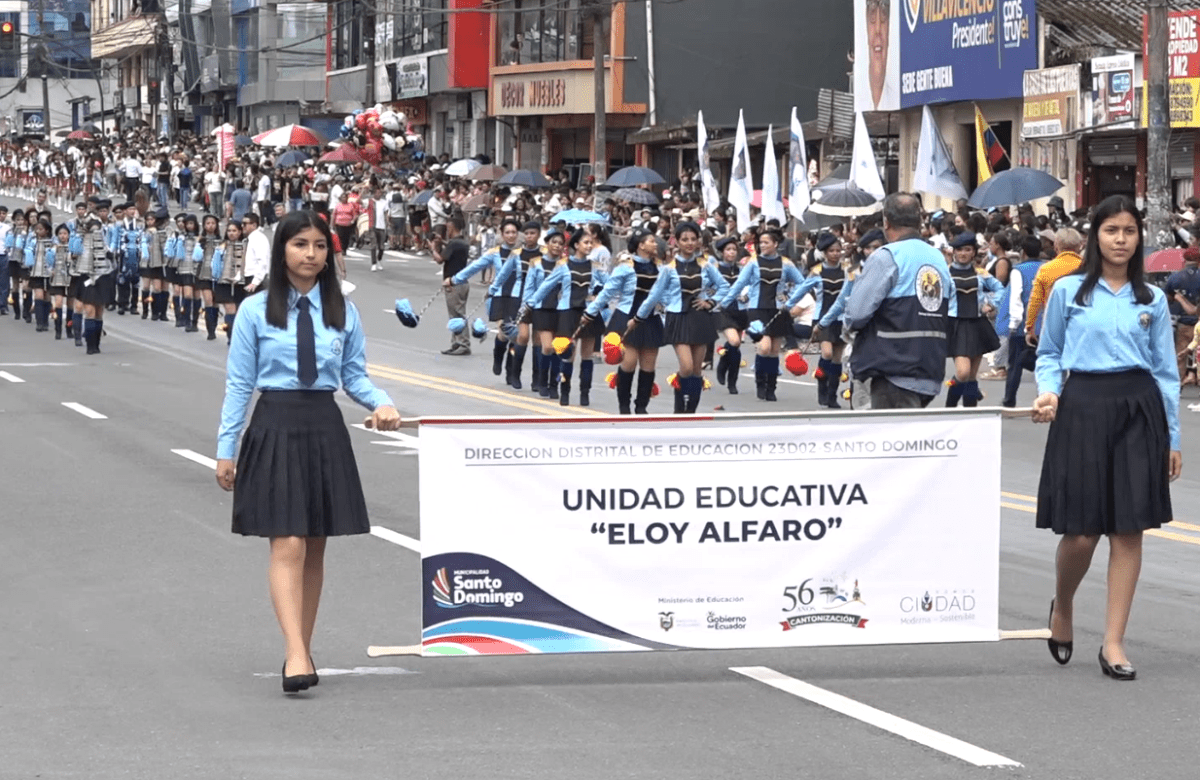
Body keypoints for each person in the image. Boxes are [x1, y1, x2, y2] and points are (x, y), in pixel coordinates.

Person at [215, 210, 402, 695]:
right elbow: (239, 384)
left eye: (320, 246)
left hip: (324, 425)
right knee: (288, 542)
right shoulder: (255, 310)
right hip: (274, 424)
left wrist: (382, 403)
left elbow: (354, 375)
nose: (311, 255)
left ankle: (302, 646)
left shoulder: (343, 310)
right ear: (282, 251)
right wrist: (225, 448)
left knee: (315, 542)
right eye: (301, 245)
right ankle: (295, 652)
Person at [1033, 195, 1182, 681]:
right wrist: (1049, 394)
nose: (1121, 240)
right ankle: (1065, 605)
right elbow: (1049, 353)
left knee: (1128, 528)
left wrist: (1172, 438)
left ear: (1140, 238)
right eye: (1111, 230)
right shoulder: (1069, 291)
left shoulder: (1152, 299)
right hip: (1083, 407)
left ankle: (1114, 642)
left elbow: (1164, 371)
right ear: (1095, 236)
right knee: (1080, 531)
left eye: (1130, 231)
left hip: (1139, 408)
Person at [845, 192, 956, 409]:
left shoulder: (886, 256)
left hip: (892, 368)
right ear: (920, 220)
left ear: (886, 222)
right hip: (929, 367)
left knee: (888, 439)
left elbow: (856, 314)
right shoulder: (938, 259)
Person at [944, 232, 1003, 407]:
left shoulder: (980, 273)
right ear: (954, 252)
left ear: (973, 252)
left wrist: (990, 304)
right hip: (956, 324)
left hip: (977, 324)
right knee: (962, 373)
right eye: (959, 250)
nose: (963, 253)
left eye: (967, 250)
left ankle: (971, 415)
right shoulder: (945, 273)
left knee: (970, 377)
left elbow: (1000, 288)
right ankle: (950, 408)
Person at [431, 215, 471, 355]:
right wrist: (442, 242)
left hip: (453, 283)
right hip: (462, 283)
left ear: (452, 227)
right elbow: (452, 249)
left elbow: (440, 259)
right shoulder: (462, 243)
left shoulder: (454, 244)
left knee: (457, 314)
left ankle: (463, 343)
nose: (446, 229)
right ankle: (456, 342)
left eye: (448, 227)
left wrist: (433, 248)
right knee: (456, 314)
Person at [1164, 247, 1200, 386]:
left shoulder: (1175, 277)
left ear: (1184, 260)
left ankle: (1177, 385)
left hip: (1184, 322)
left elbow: (1168, 296)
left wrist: (1179, 298)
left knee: (1181, 355)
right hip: (1198, 322)